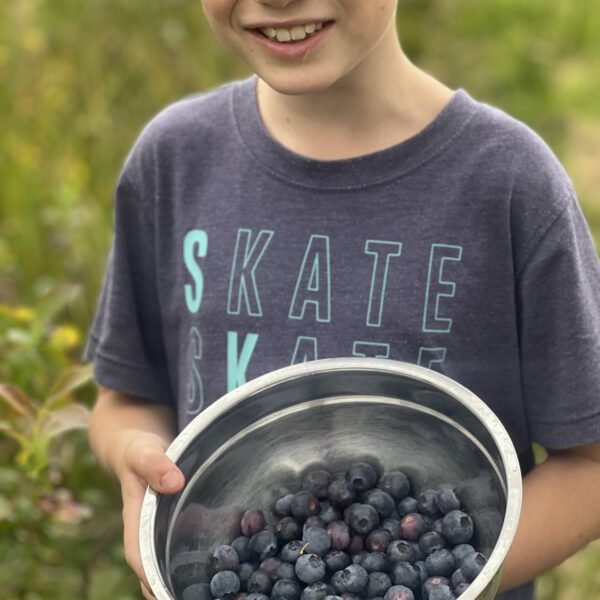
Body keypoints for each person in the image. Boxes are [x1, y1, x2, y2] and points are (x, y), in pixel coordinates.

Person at [85, 1, 600, 599]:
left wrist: (464, 582)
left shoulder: (508, 184)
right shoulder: (173, 161)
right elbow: (125, 397)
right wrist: (133, 455)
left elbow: (590, 465)